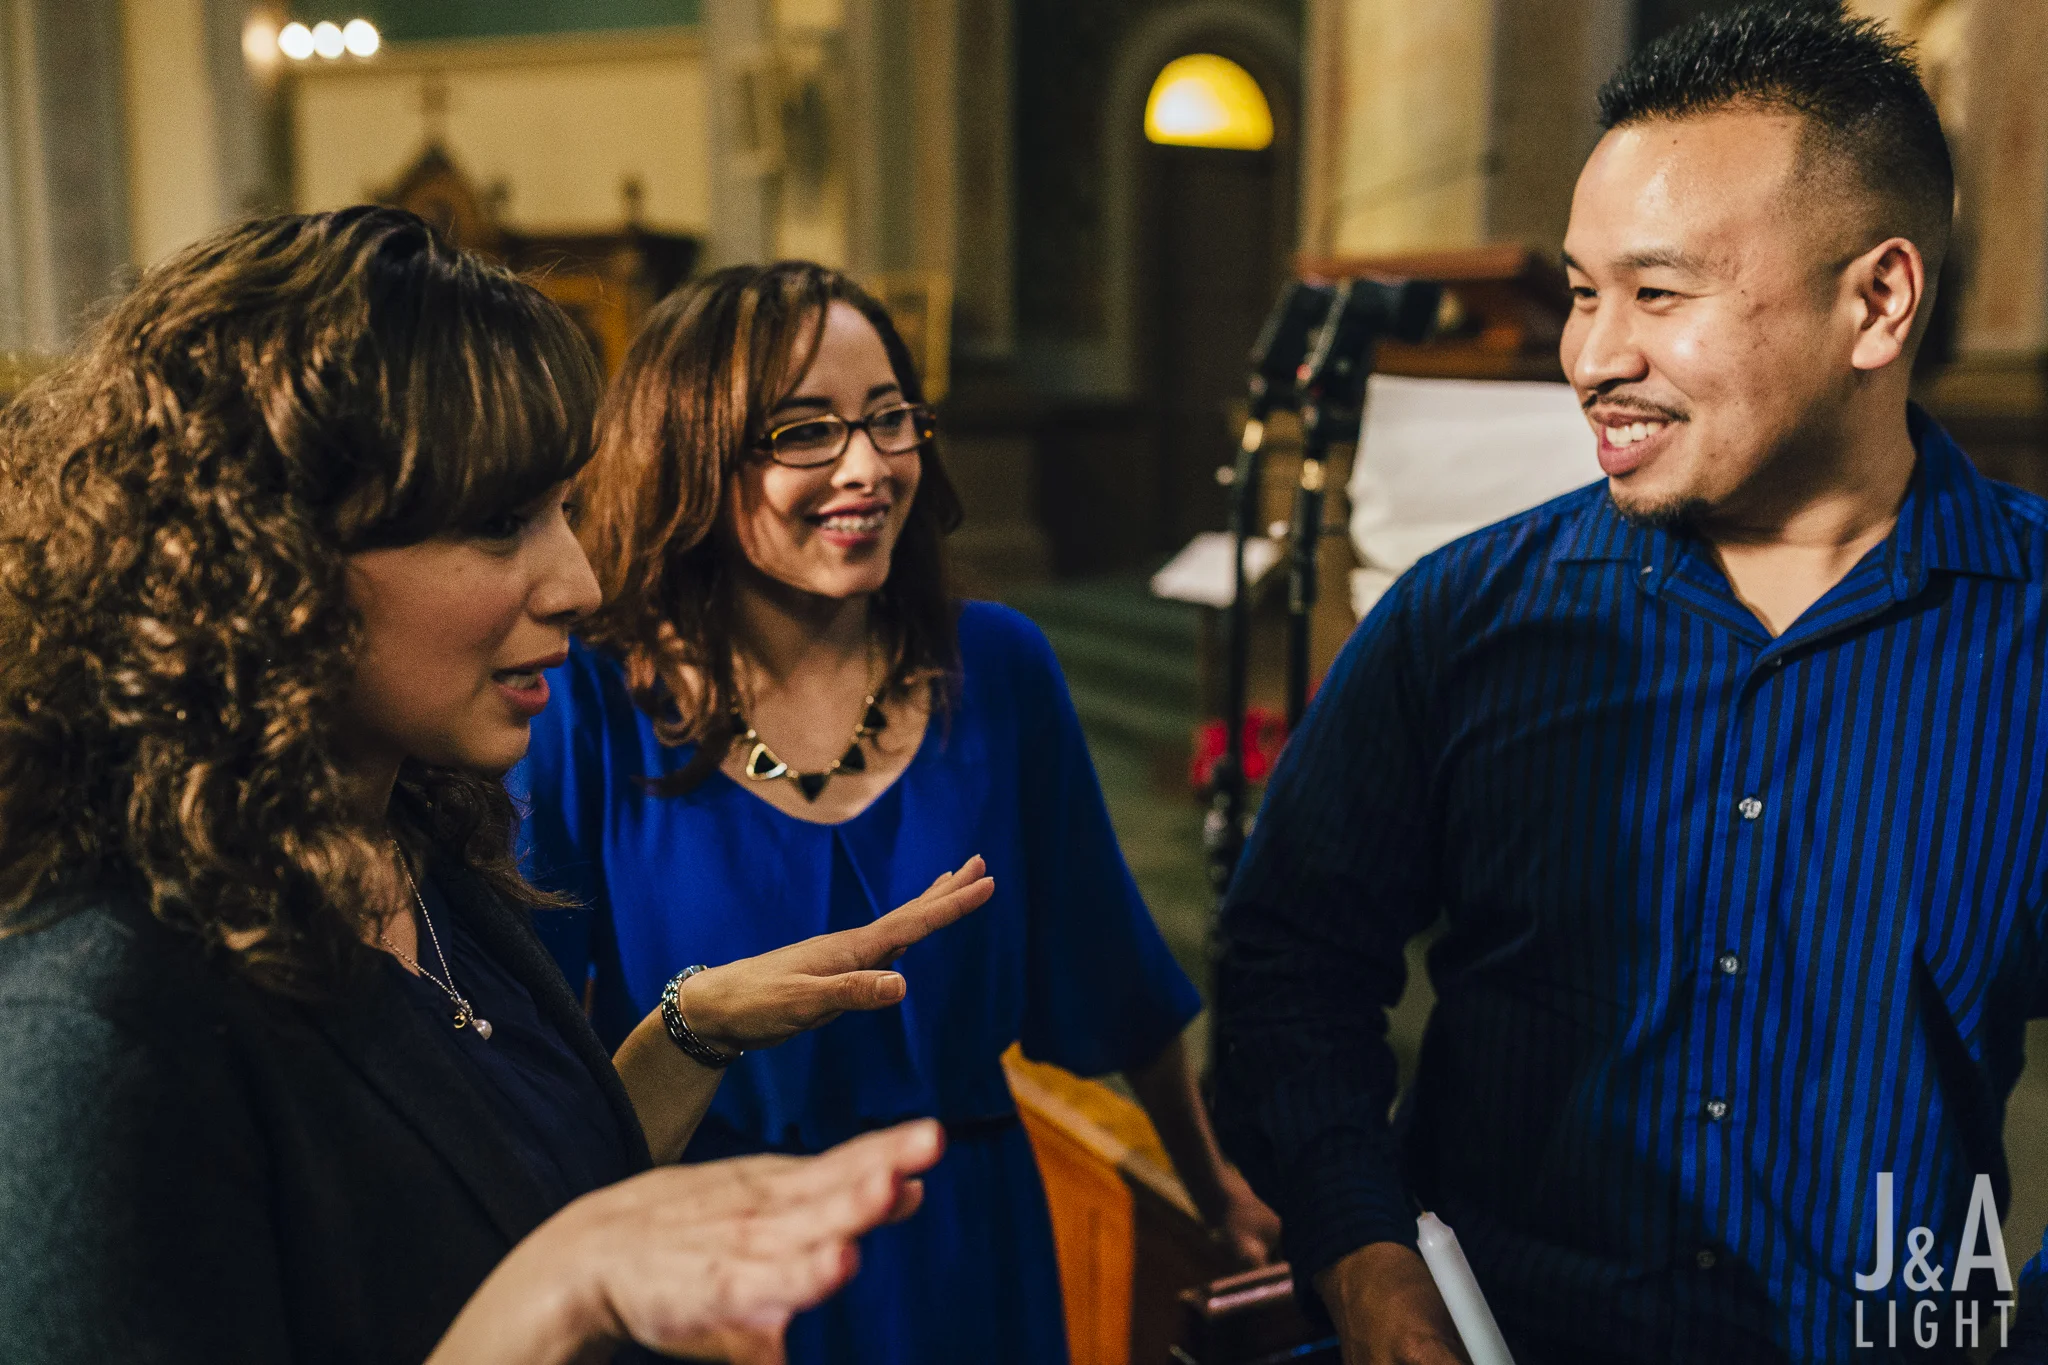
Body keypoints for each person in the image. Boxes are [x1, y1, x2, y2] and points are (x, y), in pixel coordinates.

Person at [0, 207, 998, 1365]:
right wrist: (558, 1297)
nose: (577, 582)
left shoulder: (414, 845)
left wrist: (689, 1034)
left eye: (562, 509)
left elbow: (509, 1200)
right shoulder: (98, 1030)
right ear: (262, 558)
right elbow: (529, 1271)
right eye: (497, 523)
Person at [1213, 8, 2048, 1364]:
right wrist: (1366, 1265)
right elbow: (1288, 966)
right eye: (1582, 291)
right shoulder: (1467, 615)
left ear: (1877, 301)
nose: (1591, 355)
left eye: (1657, 295)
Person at [515, 260, 1280, 1364]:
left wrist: (1213, 1189)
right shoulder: (587, 705)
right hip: (717, 1265)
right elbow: (526, 1063)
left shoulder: (998, 667)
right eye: (805, 432)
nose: (868, 466)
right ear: (689, 454)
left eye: (889, 419)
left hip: (962, 1251)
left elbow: (1107, 965)